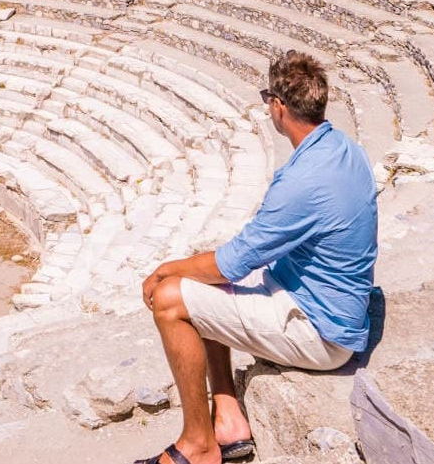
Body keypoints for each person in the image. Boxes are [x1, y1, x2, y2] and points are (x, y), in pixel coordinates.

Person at [137, 51, 378, 464]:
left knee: (171, 299)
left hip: (320, 332)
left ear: (278, 107)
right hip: (326, 305)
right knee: (203, 287)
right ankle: (229, 420)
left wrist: (165, 270)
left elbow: (232, 263)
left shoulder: (304, 181)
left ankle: (198, 446)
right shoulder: (342, 148)